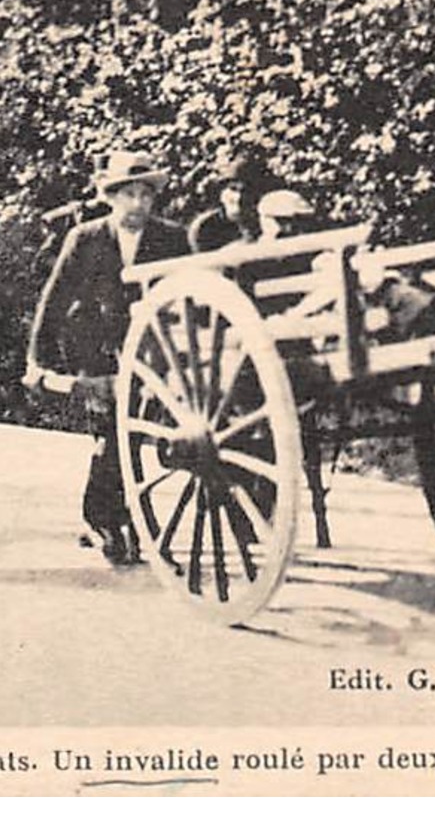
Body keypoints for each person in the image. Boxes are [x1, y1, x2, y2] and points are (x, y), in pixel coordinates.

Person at [24, 150, 190, 566]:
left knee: (126, 434)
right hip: (96, 348)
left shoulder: (171, 238)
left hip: (153, 349)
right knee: (113, 430)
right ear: (111, 197)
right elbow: (55, 299)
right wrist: (38, 361)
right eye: (128, 195)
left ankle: (109, 516)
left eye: (145, 196)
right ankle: (107, 520)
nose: (137, 204)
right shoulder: (86, 238)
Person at [189, 155, 270, 253]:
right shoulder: (206, 227)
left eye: (246, 191)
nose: (239, 197)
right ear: (221, 194)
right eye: (233, 189)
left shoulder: (267, 221)